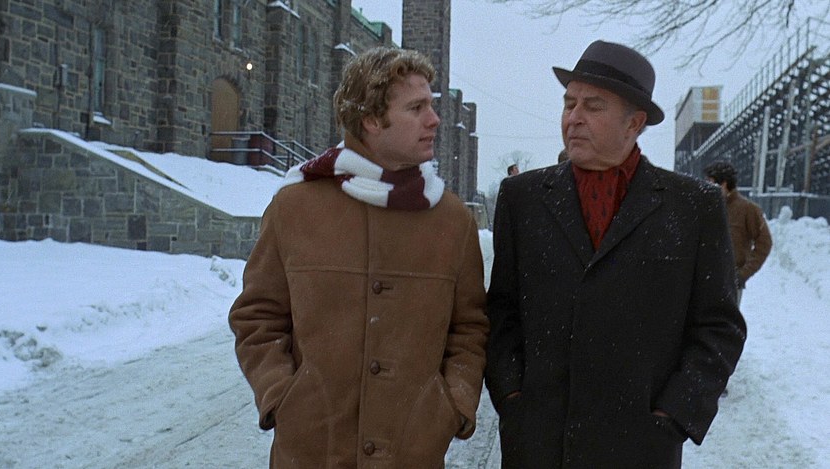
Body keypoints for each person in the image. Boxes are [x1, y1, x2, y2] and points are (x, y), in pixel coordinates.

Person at [485, 40, 747, 469]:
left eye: (593, 106)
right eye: (569, 104)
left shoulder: (693, 207)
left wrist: (675, 415)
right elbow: (502, 311)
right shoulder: (522, 198)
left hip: (640, 448)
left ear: (635, 122)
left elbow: (719, 327)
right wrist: (512, 396)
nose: (574, 117)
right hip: (538, 445)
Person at [229, 47, 489, 468]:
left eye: (431, 105)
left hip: (413, 455)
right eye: (416, 108)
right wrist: (282, 397)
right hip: (311, 454)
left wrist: (451, 405)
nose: (434, 120)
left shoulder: (452, 219)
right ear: (370, 119)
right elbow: (257, 317)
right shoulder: (295, 207)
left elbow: (470, 329)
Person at [704, 161, 772, 306]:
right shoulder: (707, 207)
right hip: (704, 281)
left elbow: (764, 243)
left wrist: (743, 274)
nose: (706, 187)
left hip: (729, 284)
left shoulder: (748, 209)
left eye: (710, 182)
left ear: (723, 184)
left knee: (723, 320)